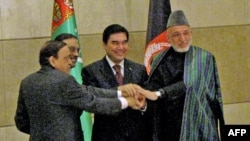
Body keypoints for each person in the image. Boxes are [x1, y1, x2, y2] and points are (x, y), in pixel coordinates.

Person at [14, 40, 145, 141]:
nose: (71, 63)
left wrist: (119, 92)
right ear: (53, 61)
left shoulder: (27, 82)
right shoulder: (64, 81)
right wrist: (127, 102)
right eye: (66, 58)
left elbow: (21, 121)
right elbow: (93, 103)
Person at [140, 10, 225, 141]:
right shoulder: (159, 61)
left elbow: (211, 95)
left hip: (201, 126)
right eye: (176, 35)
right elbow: (153, 95)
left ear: (191, 33)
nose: (182, 39)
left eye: (186, 33)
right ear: (168, 38)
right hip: (171, 129)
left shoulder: (204, 58)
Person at [81, 24, 150, 141]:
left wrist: (143, 105)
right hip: (106, 136)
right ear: (104, 44)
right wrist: (123, 97)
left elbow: (148, 103)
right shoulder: (91, 71)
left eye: (124, 42)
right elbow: (93, 102)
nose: (121, 47)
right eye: (115, 43)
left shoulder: (139, 70)